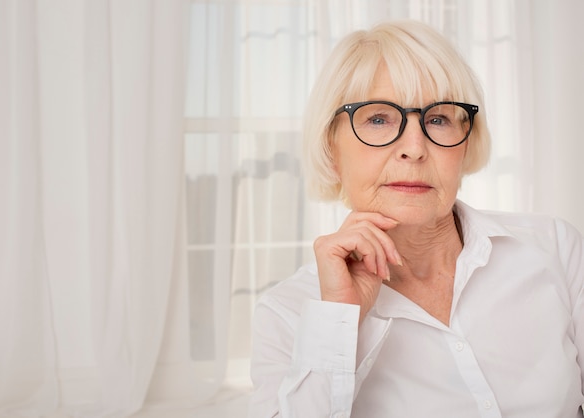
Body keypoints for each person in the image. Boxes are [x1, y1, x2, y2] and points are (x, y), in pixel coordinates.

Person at [248, 20, 584, 417]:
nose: (414, 148)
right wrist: (339, 318)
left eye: (438, 119)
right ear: (331, 149)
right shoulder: (287, 312)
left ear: (467, 143)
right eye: (378, 119)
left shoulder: (553, 247)